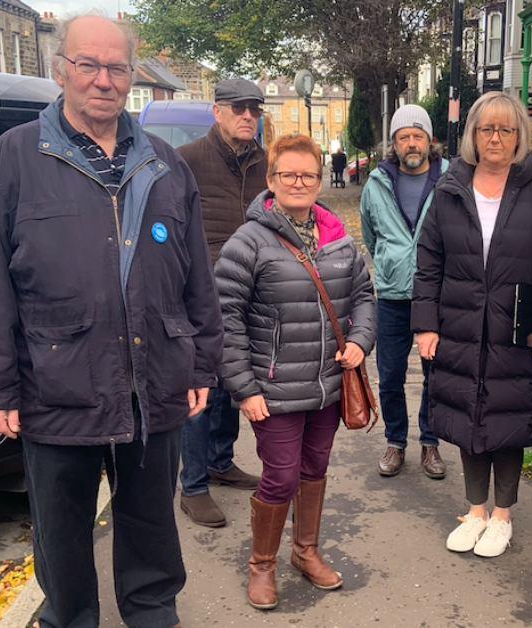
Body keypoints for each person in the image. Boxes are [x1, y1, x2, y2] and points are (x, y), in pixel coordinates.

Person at [0, 14, 222, 627]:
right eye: (89, 65)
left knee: (152, 525)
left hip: (153, 380)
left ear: (131, 75)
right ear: (61, 70)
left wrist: (203, 361)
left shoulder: (163, 163)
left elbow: (196, 277)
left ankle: (152, 612)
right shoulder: (15, 158)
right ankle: (71, 617)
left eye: (116, 67)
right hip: (58, 384)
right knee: (61, 532)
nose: (103, 81)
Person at [412, 91, 532, 559]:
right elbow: (429, 263)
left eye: (506, 129)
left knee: (508, 417)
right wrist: (426, 325)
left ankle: (502, 515)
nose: (496, 138)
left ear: (519, 135)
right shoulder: (450, 188)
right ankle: (475, 511)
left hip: (517, 326)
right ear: (473, 134)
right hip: (461, 322)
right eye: (487, 129)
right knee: (469, 415)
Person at [214, 133, 376, 610]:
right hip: (274, 387)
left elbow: (364, 296)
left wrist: (361, 343)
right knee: (280, 477)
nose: (299, 182)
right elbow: (225, 317)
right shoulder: (249, 241)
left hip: (327, 385)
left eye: (308, 174)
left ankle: (305, 552)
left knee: (314, 469)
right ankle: (261, 564)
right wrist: (243, 387)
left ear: (320, 180)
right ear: (271, 180)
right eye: (289, 174)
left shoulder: (338, 236)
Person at [175, 78, 268, 528]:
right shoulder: (188, 160)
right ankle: (192, 485)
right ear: (218, 112)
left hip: (249, 294)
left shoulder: (267, 164)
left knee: (232, 384)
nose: (247, 115)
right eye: (238, 108)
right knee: (199, 388)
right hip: (199, 295)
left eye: (254, 108)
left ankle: (220, 460)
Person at [361, 104, 450, 479]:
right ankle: (396, 442)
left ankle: (431, 443)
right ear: (394, 144)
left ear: (429, 140)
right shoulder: (376, 183)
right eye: (403, 137)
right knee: (391, 373)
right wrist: (390, 262)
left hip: (437, 295)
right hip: (393, 297)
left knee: (438, 374)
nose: (411, 144)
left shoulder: (450, 179)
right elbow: (370, 235)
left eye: (417, 136)